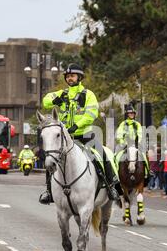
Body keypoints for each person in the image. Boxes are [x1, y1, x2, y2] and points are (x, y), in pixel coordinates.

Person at [39, 63, 120, 204]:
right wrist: (55, 100)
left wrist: (75, 126)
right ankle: (48, 191)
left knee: (102, 154)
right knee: (51, 157)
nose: (70, 78)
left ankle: (112, 185)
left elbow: (91, 114)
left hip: (84, 134)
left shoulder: (88, 95)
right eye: (68, 76)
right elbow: (45, 101)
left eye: (72, 76)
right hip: (64, 136)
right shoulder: (62, 93)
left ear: (79, 77)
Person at [116, 103, 150, 180]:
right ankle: (116, 174)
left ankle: (147, 172)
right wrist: (123, 143)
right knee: (117, 157)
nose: (131, 114)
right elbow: (119, 135)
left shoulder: (137, 124)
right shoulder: (123, 124)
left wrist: (138, 143)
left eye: (132, 113)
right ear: (127, 114)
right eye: (130, 113)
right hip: (125, 145)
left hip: (135, 144)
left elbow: (140, 134)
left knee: (144, 156)